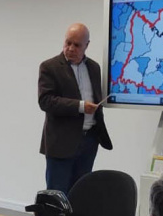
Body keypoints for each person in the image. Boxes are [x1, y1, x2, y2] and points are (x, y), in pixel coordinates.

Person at [38, 23, 113, 194]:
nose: (70, 48)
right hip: (61, 142)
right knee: (57, 195)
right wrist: (80, 106)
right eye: (68, 43)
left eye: (77, 45)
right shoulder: (50, 67)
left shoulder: (94, 68)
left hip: (89, 140)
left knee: (82, 194)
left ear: (87, 45)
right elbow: (46, 101)